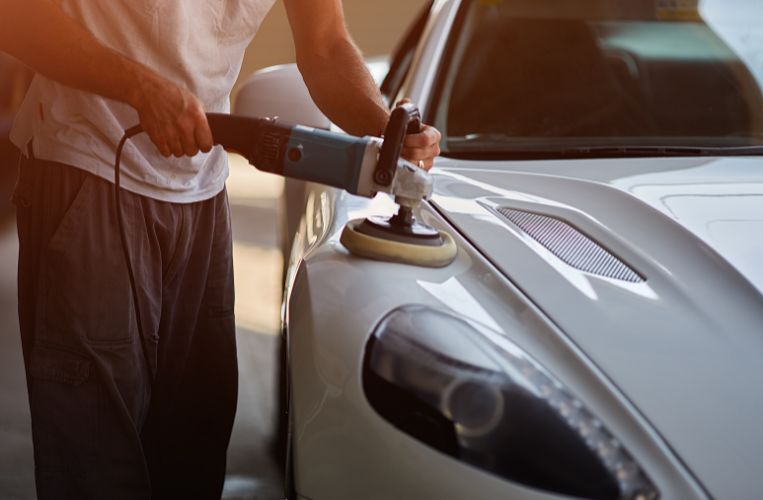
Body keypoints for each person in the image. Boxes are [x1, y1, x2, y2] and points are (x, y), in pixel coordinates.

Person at [0, 1, 442, 498]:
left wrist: (386, 132)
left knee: (193, 449)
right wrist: (138, 87)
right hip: (88, 165)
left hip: (201, 191)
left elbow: (325, 45)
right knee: (95, 457)